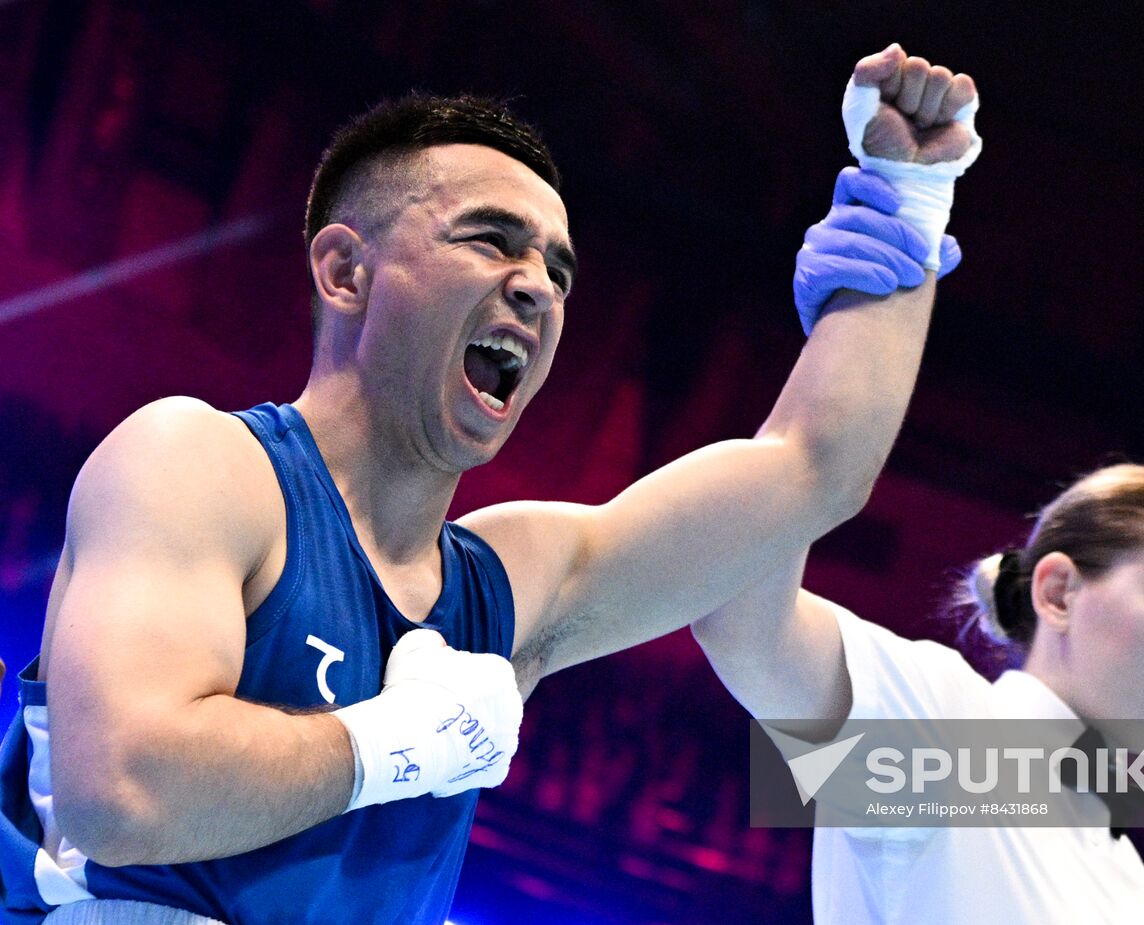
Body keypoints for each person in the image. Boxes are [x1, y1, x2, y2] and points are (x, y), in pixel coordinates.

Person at [0, 45, 977, 925]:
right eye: (490, 239)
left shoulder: (515, 583)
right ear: (345, 271)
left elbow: (810, 473)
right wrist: (398, 744)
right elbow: (120, 792)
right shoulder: (200, 465)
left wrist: (903, 197)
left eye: (557, 267)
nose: (537, 285)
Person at [693, 463, 1144, 923]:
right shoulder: (945, 727)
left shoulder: (1136, 890)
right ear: (1058, 593)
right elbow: (741, 617)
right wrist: (821, 444)